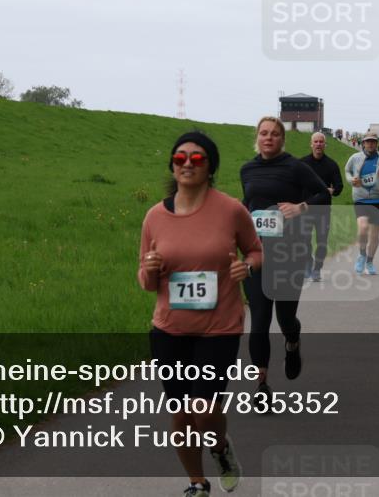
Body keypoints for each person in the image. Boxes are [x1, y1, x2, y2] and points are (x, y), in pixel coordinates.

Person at [139, 131, 263, 496]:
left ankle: (221, 448)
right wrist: (151, 267)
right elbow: (146, 282)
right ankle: (197, 481)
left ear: (210, 167)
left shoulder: (230, 210)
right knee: (181, 415)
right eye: (180, 158)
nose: (188, 164)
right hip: (169, 329)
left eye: (197, 158)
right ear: (172, 166)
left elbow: (256, 251)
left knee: (204, 409)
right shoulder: (154, 217)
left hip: (219, 327)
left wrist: (247, 267)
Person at [240, 117, 330, 407]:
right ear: (257, 137)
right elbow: (248, 204)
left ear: (282, 139)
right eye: (264, 133)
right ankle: (262, 385)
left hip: (290, 253)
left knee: (285, 318)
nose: (269, 138)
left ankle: (293, 343)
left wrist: (300, 207)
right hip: (257, 254)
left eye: (275, 134)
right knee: (260, 320)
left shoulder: (295, 167)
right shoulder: (248, 169)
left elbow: (322, 195)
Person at [343, 133, 379, 276]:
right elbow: (347, 170)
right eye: (367, 142)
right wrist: (351, 179)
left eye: (373, 142)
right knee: (363, 228)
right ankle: (362, 255)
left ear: (377, 144)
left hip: (378, 200)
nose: (370, 144)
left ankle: (370, 261)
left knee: (374, 236)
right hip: (361, 199)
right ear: (363, 143)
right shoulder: (355, 158)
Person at [300, 132, 344, 282]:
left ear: (325, 145)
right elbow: (294, 184)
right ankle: (308, 262)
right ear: (311, 144)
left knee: (322, 241)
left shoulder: (331, 165)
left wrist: (333, 190)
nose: (318, 144)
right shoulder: (302, 163)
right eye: (316, 142)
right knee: (304, 240)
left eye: (321, 142)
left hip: (323, 210)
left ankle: (317, 269)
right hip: (305, 208)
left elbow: (339, 186)